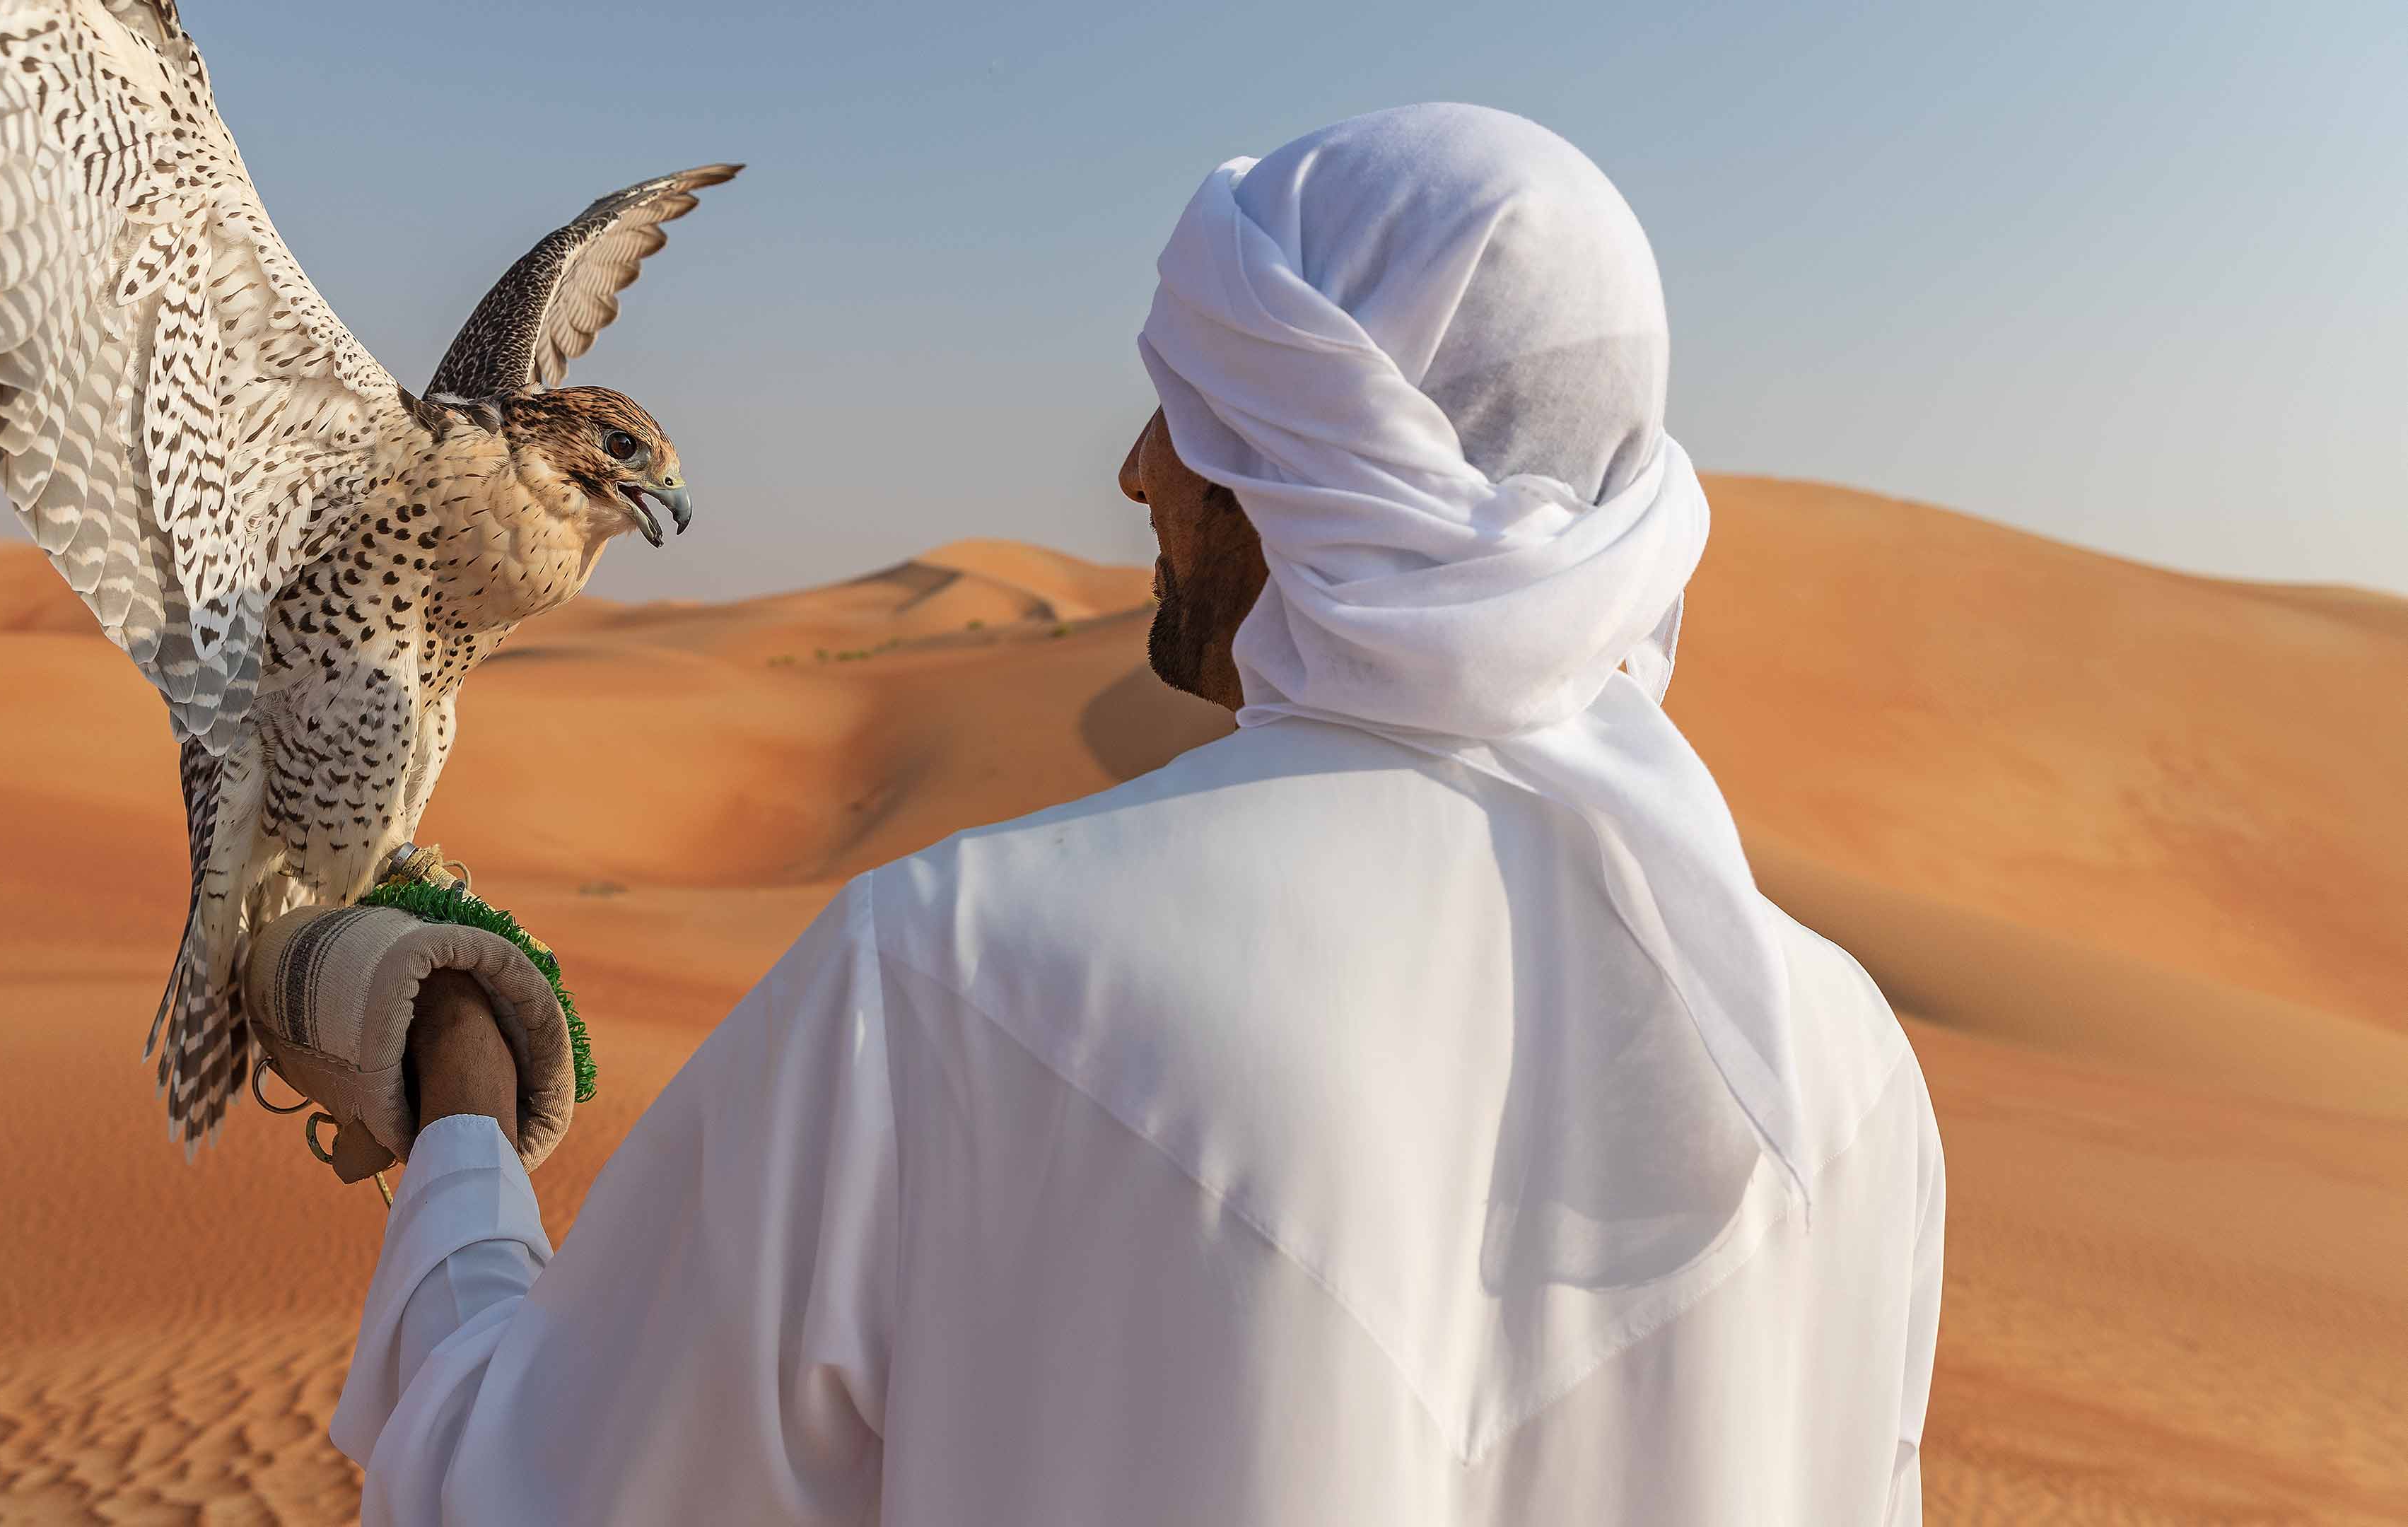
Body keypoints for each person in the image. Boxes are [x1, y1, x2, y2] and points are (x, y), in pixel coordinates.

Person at [317, 103, 1946, 1524]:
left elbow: (522, 1489)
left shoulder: (958, 973)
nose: (1131, 477)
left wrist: (457, 1115)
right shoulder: (1849, 1077)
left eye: (1182, 409)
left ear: (1307, 453)